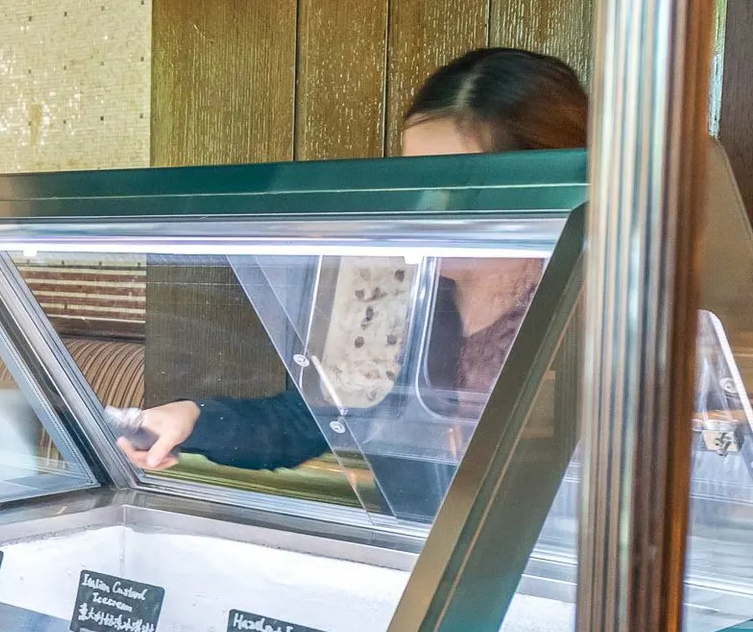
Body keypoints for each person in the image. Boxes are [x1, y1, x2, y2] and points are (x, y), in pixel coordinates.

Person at [122, 47, 590, 494]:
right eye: (414, 180)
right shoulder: (398, 294)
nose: (426, 205)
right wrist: (193, 418)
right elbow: (310, 422)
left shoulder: (590, 308)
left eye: (457, 182)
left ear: (547, 182)